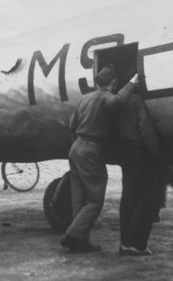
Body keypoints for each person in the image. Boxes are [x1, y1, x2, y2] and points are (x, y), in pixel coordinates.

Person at [60, 65, 138, 253]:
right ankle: (72, 236)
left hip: (75, 147)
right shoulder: (105, 97)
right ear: (112, 82)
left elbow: (71, 126)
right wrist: (133, 82)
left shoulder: (84, 98)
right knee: (95, 201)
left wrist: (80, 142)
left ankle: (81, 242)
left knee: (79, 200)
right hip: (90, 150)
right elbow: (118, 101)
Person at [116, 91, 162, 256]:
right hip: (138, 150)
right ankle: (136, 244)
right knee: (148, 197)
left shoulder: (117, 100)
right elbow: (144, 126)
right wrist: (156, 153)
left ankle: (125, 243)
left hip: (124, 150)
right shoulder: (136, 99)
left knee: (128, 196)